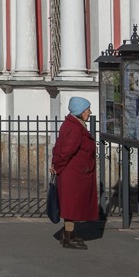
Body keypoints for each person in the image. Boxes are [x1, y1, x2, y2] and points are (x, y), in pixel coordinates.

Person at [51, 96, 98, 250]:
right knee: (71, 206)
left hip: (74, 172)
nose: (90, 112)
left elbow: (59, 147)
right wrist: (57, 165)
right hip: (73, 173)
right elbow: (66, 151)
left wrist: (56, 163)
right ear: (81, 111)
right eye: (88, 109)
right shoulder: (75, 128)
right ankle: (68, 237)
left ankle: (68, 234)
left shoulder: (72, 124)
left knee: (72, 205)